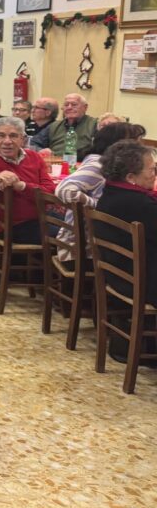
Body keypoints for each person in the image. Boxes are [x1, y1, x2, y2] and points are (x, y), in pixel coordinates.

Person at [93, 140, 157, 362]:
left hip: (120, 274)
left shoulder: (112, 192)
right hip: (138, 281)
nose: (154, 174)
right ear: (131, 177)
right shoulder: (139, 204)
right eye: (152, 170)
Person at [55, 122, 146, 263]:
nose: (139, 147)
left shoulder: (109, 164)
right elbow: (64, 189)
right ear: (116, 144)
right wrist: (97, 205)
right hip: (82, 250)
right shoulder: (98, 165)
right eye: (134, 142)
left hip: (94, 243)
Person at [0, 116, 56, 244]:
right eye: (1, 136)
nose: (7, 141)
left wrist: (22, 186)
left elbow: (50, 193)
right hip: (10, 227)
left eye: (13, 136)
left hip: (41, 217)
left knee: (79, 226)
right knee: (70, 236)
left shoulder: (34, 157)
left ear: (23, 139)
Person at [30, 93, 97, 160]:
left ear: (85, 107)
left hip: (81, 164)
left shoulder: (94, 124)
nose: (69, 107)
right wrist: (41, 150)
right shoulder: (54, 126)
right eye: (66, 105)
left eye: (74, 105)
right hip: (55, 163)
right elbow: (34, 143)